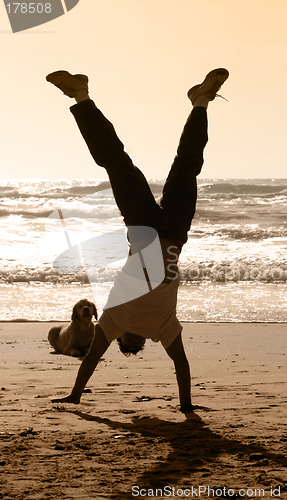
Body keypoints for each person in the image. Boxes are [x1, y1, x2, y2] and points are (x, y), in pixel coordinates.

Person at [46, 68, 229, 412]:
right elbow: (181, 366)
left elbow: (92, 361)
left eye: (126, 343)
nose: (130, 338)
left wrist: (75, 394)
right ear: (142, 342)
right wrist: (186, 406)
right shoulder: (160, 328)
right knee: (186, 166)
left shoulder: (116, 320)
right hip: (173, 229)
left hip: (145, 226)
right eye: (133, 343)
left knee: (118, 164)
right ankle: (200, 102)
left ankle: (81, 96)